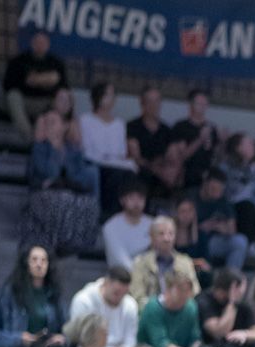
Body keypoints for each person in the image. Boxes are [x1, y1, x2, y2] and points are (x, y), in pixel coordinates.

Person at [22, 110, 101, 256]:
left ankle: (81, 240)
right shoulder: (40, 147)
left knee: (88, 194)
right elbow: (50, 173)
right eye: (46, 123)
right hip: (43, 195)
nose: (49, 126)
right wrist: (53, 148)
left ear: (64, 126)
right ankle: (58, 244)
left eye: (53, 122)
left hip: (70, 191)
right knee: (61, 199)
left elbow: (77, 176)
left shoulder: (72, 149)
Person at [136, 270, 213, 347]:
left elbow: (194, 339)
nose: (185, 295)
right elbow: (162, 346)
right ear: (168, 289)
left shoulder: (190, 307)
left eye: (187, 291)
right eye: (180, 290)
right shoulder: (153, 308)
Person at [79, 82, 137, 214]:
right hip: (95, 163)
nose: (112, 98)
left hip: (116, 164)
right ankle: (107, 215)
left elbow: (121, 152)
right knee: (116, 176)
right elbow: (87, 150)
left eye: (113, 95)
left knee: (131, 174)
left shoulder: (119, 124)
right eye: (108, 94)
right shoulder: (85, 120)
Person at [3, 29, 67, 142]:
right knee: (13, 96)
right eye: (37, 42)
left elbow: (64, 87)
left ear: (48, 45)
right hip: (25, 101)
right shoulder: (18, 61)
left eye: (43, 43)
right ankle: (29, 137)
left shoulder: (56, 63)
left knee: (63, 96)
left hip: (47, 102)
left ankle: (57, 137)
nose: (40, 45)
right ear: (32, 43)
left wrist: (41, 80)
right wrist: (32, 81)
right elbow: (8, 85)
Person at [129, 216, 199, 308]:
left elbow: (195, 292)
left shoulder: (185, 262)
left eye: (171, 234)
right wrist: (160, 307)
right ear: (152, 237)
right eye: (161, 234)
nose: (167, 239)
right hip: (151, 311)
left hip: (181, 310)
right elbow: (137, 297)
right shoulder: (140, 263)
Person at [69, 269, 138, 347]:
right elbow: (82, 341)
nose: (120, 298)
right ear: (106, 283)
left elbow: (130, 341)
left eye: (124, 294)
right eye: (116, 293)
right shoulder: (83, 301)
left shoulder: (130, 304)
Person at [195, 169, 249, 271]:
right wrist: (201, 227)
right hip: (195, 241)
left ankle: (230, 276)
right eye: (213, 189)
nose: (216, 193)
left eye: (220, 190)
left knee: (240, 241)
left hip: (214, 242)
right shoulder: (192, 198)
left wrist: (219, 227)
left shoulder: (223, 202)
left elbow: (232, 229)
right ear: (205, 183)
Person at [125, 84, 172, 194]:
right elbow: (134, 157)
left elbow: (169, 157)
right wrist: (153, 168)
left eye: (157, 101)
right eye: (150, 101)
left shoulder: (167, 130)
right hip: (138, 177)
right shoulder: (131, 127)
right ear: (142, 103)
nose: (154, 105)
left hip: (162, 179)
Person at [169, 89, 220, 189]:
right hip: (186, 176)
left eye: (205, 104)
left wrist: (222, 142)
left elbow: (215, 156)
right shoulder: (180, 127)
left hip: (206, 176)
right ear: (190, 104)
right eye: (199, 103)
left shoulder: (211, 128)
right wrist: (200, 139)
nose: (202, 107)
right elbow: (181, 156)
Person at [102, 182, 152, 272]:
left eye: (140, 198)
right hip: (120, 275)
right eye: (131, 198)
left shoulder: (153, 224)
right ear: (122, 200)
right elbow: (119, 259)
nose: (136, 202)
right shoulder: (110, 227)